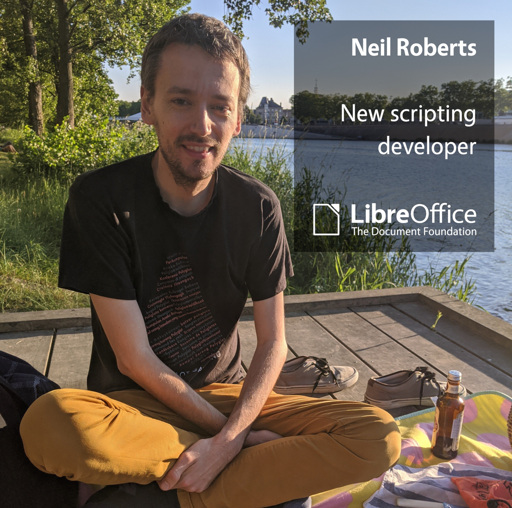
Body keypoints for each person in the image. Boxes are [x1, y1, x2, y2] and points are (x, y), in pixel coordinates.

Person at [20, 13, 401, 508]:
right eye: (181, 101)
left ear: (237, 119)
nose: (202, 125)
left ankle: (157, 484)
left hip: (227, 394)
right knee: (52, 424)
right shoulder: (101, 199)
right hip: (132, 406)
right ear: (148, 105)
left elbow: (273, 344)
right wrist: (232, 440)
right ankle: (233, 479)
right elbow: (134, 359)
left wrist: (229, 435)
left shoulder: (258, 208)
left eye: (220, 107)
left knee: (378, 436)